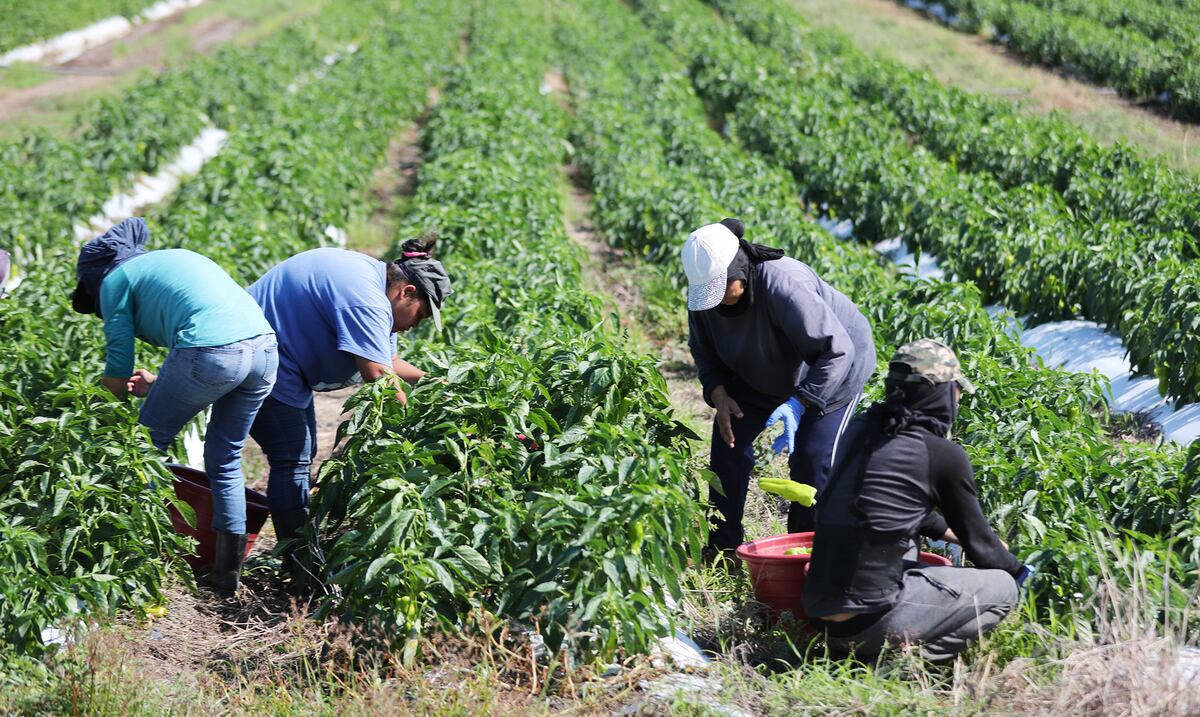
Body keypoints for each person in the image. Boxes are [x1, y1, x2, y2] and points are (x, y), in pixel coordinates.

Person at [70, 217, 278, 595]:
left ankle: (130, 556)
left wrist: (100, 422)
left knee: (144, 448)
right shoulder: (169, 261)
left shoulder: (115, 281)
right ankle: (226, 573)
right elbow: (207, 333)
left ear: (96, 279)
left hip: (214, 351)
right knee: (225, 456)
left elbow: (118, 365)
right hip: (264, 350)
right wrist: (157, 386)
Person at [804, 339, 1033, 662]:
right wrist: (1022, 573)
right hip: (871, 623)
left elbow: (884, 508)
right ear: (939, 393)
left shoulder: (860, 431)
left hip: (818, 615)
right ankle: (902, 666)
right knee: (1003, 589)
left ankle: (853, 655)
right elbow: (984, 549)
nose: (957, 400)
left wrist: (947, 533)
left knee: (905, 547)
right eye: (955, 390)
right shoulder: (941, 454)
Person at [247, 235, 451, 591]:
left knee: (298, 456)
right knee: (293, 459)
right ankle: (300, 570)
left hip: (276, 357)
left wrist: (435, 383)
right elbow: (378, 377)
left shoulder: (372, 286)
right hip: (256, 354)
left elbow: (386, 360)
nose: (415, 325)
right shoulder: (367, 300)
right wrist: (420, 435)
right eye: (420, 314)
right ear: (407, 292)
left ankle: (299, 560)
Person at [683, 218, 876, 558]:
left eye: (722, 288)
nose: (714, 300)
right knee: (728, 444)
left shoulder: (784, 285)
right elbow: (704, 351)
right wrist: (719, 393)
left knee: (812, 464)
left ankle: (806, 559)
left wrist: (800, 402)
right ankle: (723, 548)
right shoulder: (705, 301)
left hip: (830, 371)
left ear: (739, 270)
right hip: (761, 372)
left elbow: (837, 350)